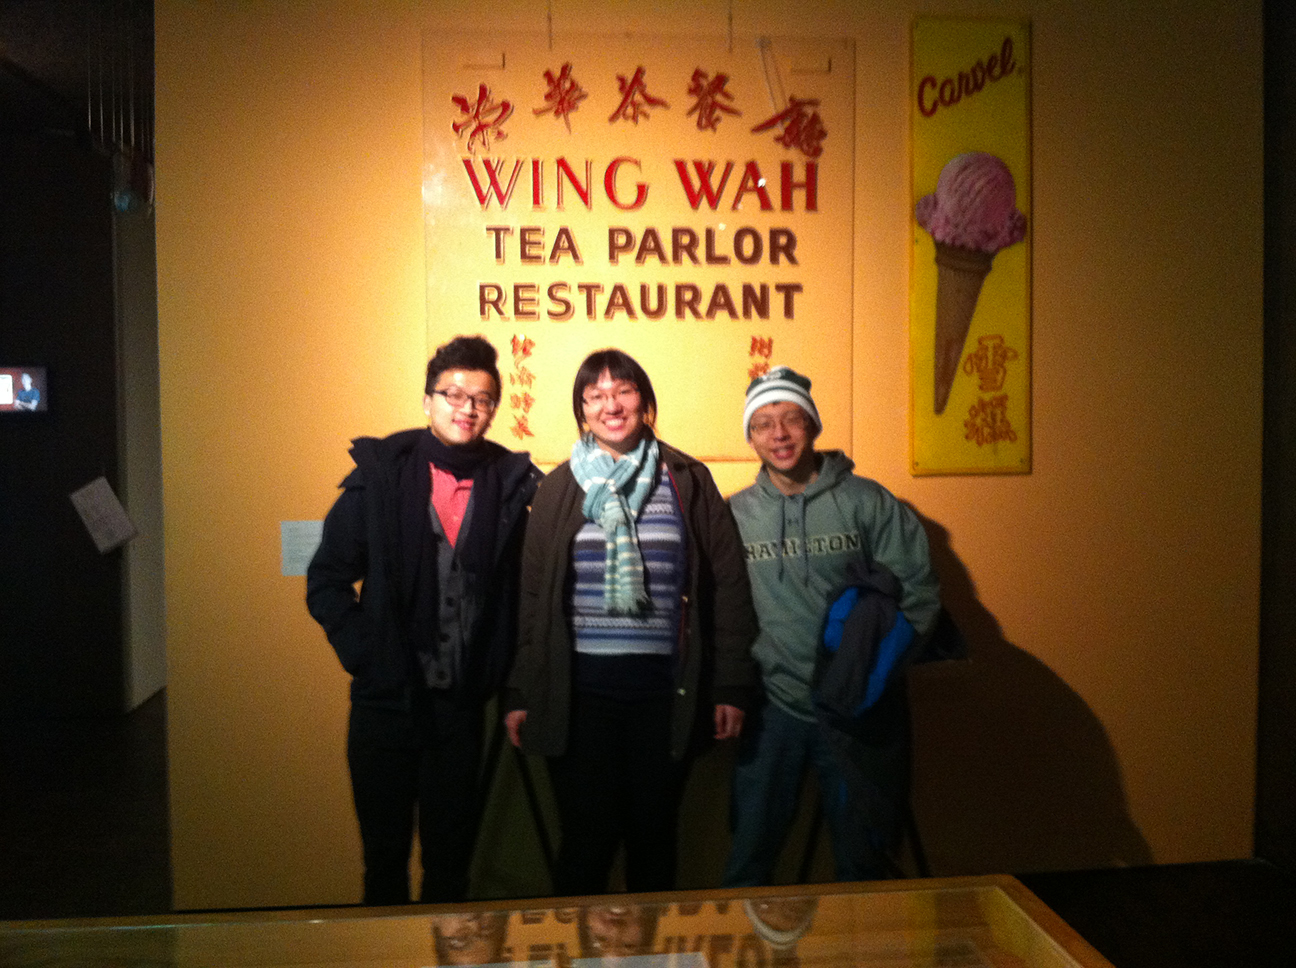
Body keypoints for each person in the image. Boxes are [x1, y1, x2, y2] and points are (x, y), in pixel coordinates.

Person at [505, 348, 758, 895]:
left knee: (654, 842)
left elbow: (728, 588)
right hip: (579, 698)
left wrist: (732, 683)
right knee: (585, 847)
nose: (609, 405)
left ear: (644, 401)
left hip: (663, 696)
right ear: (582, 411)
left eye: (621, 391)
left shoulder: (686, 479)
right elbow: (533, 599)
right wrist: (521, 690)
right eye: (593, 396)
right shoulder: (559, 487)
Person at [306, 335, 541, 905]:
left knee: (449, 869)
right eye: (453, 394)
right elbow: (327, 580)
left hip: (459, 712)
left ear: (494, 408)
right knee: (383, 866)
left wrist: (505, 680)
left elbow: (521, 599)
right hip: (383, 707)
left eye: (481, 399)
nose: (466, 407)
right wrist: (369, 655)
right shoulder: (383, 477)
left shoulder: (510, 485)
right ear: (427, 401)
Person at [723, 366, 941, 886]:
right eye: (763, 424)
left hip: (859, 713)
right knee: (750, 858)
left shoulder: (868, 502)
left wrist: (871, 679)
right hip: (773, 708)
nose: (779, 435)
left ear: (813, 424)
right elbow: (719, 608)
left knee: (863, 863)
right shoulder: (736, 514)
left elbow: (920, 595)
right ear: (750, 436)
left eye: (792, 419)